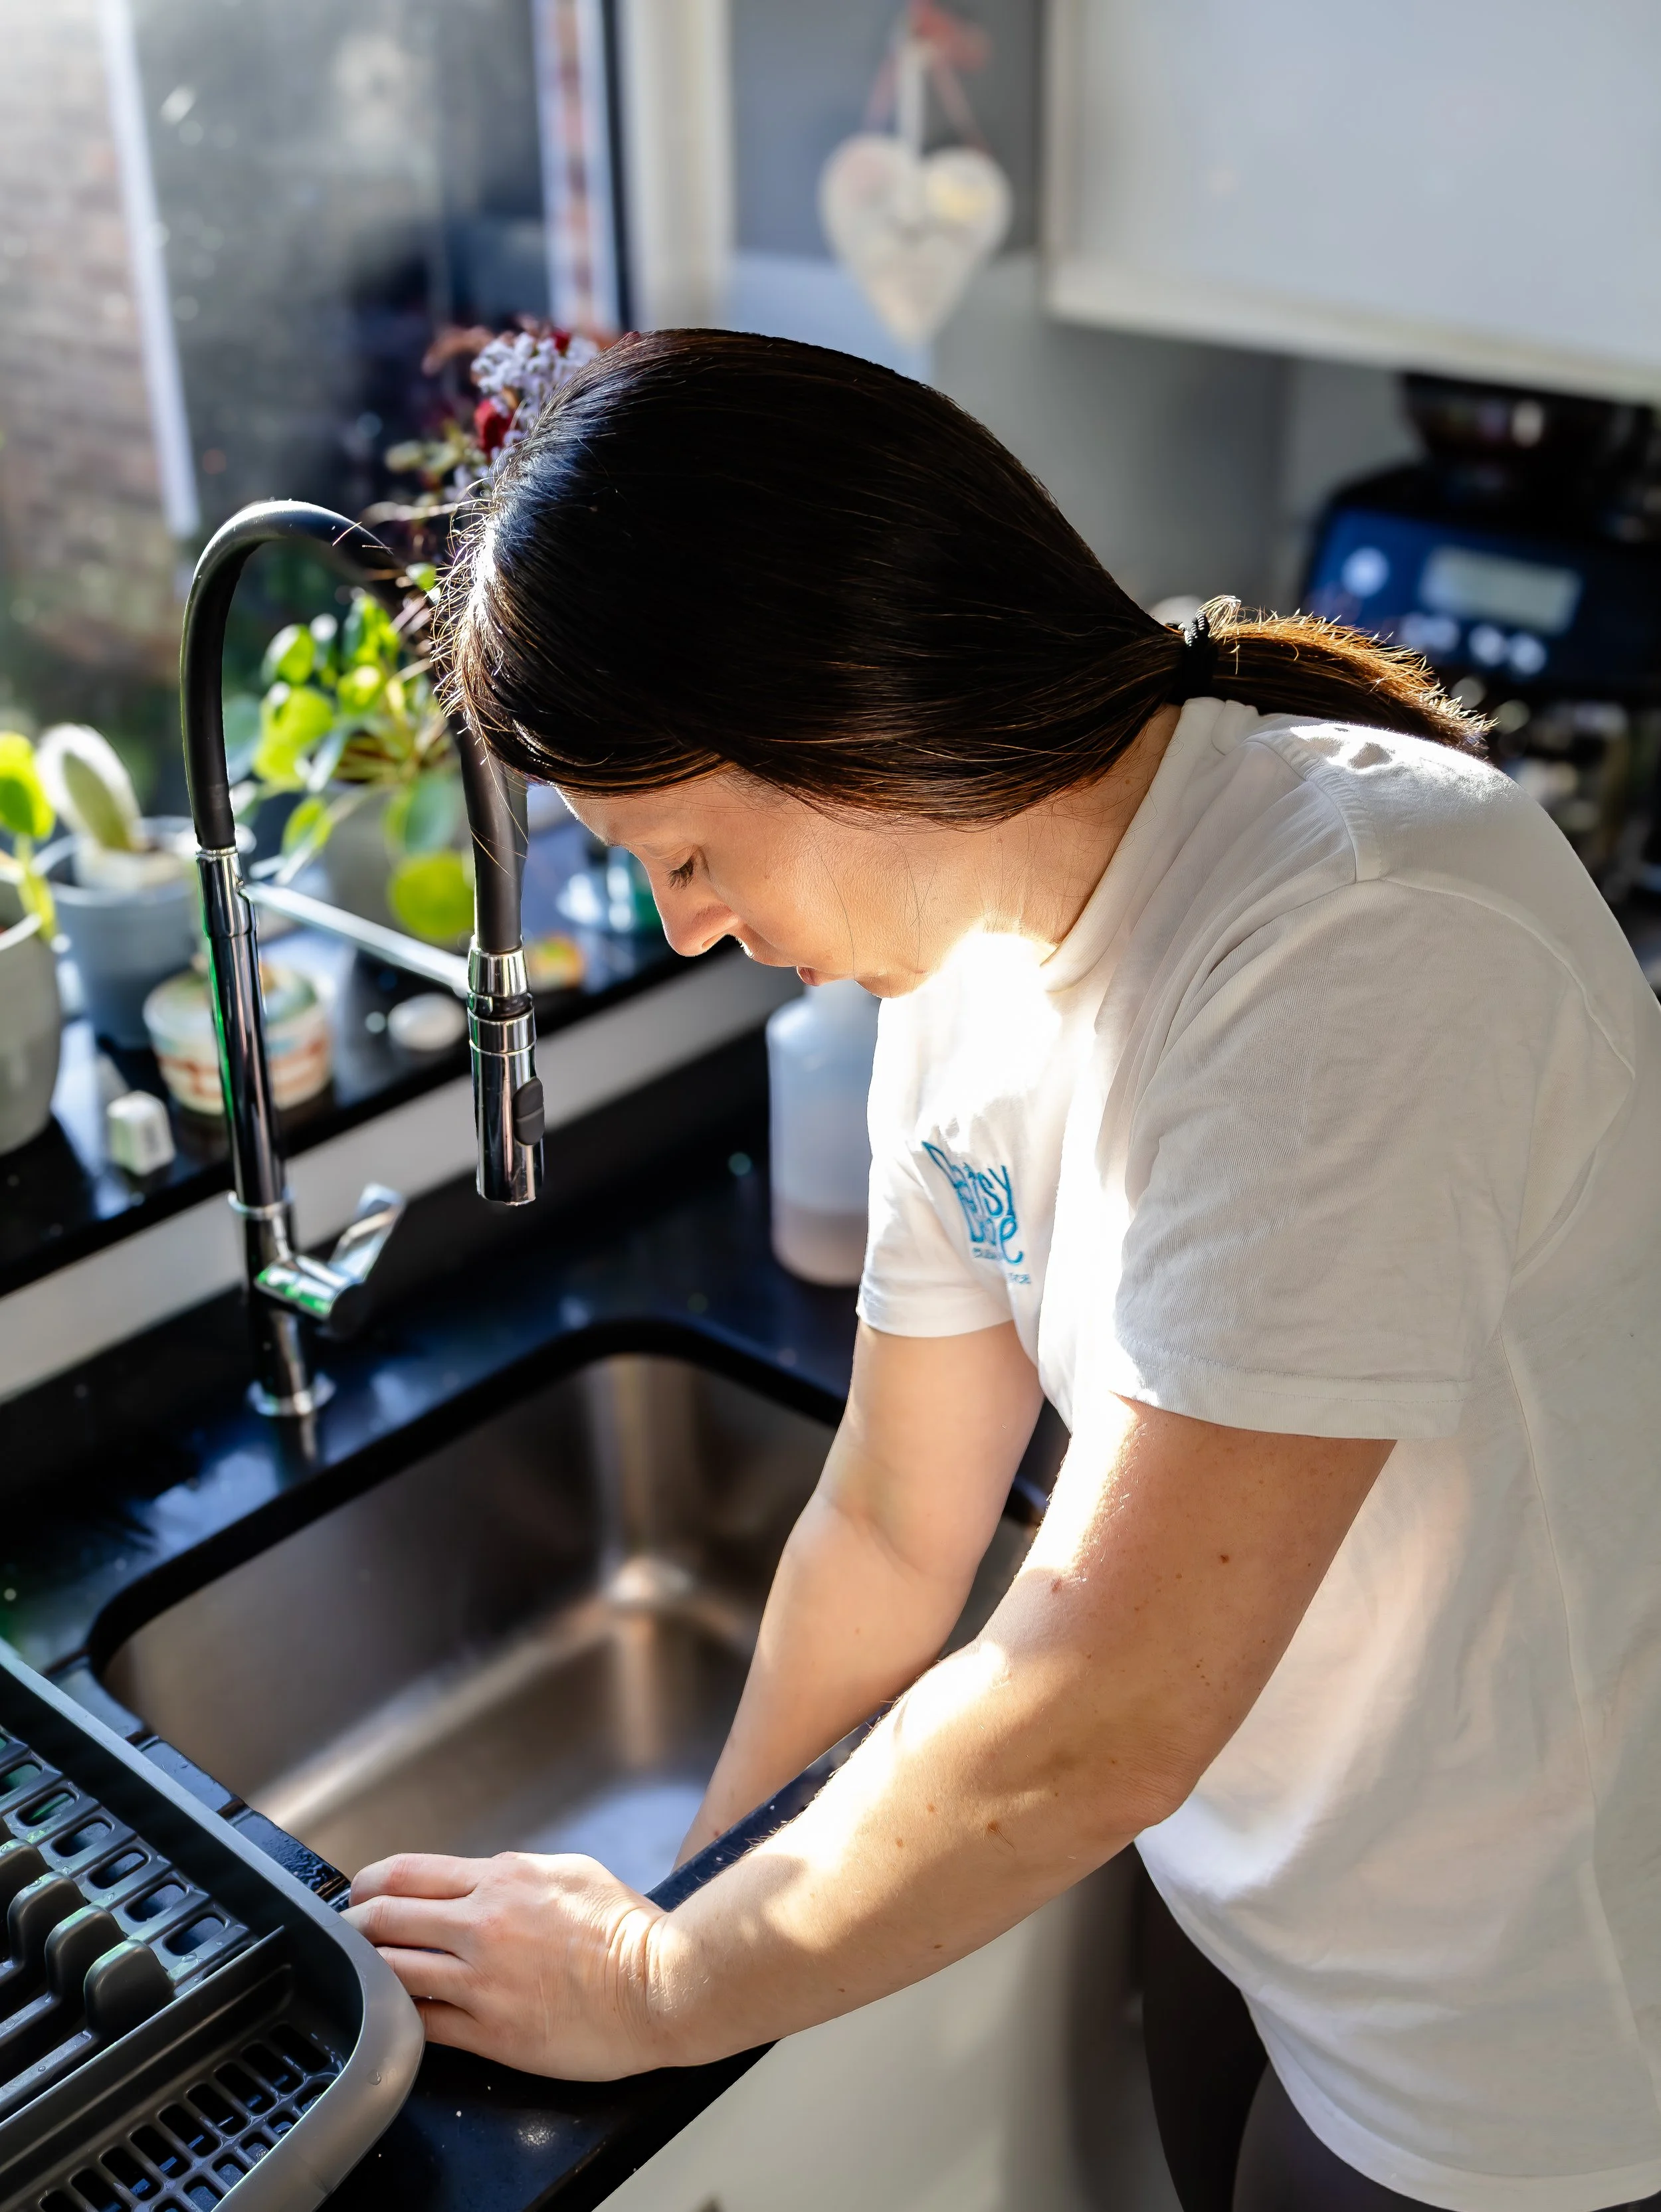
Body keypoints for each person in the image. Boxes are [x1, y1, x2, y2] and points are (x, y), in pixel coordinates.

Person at [343, 331, 1661, 2212]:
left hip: (1521, 2027)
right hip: (1247, 1897)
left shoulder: (1364, 940)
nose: (687, 927)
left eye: (688, 848)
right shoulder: (960, 956)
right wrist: (695, 1909)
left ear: (840, 716)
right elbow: (891, 1521)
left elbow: (1100, 1710)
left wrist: (657, 1985)